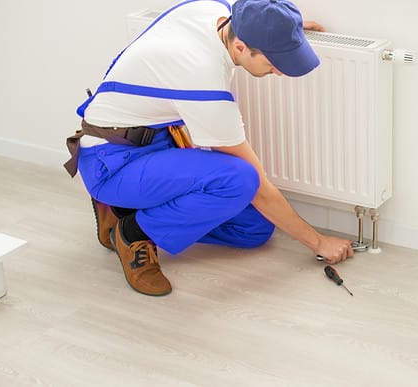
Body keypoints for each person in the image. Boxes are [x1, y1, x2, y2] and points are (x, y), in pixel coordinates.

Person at [63, 0, 354, 297]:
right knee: (241, 180)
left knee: (255, 229)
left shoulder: (213, 10)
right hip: (112, 162)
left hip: (154, 144)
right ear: (240, 46)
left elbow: (254, 12)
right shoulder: (201, 78)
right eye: (272, 62)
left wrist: (284, 33)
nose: (278, 71)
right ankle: (134, 232)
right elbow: (258, 185)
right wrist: (318, 242)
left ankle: (125, 208)